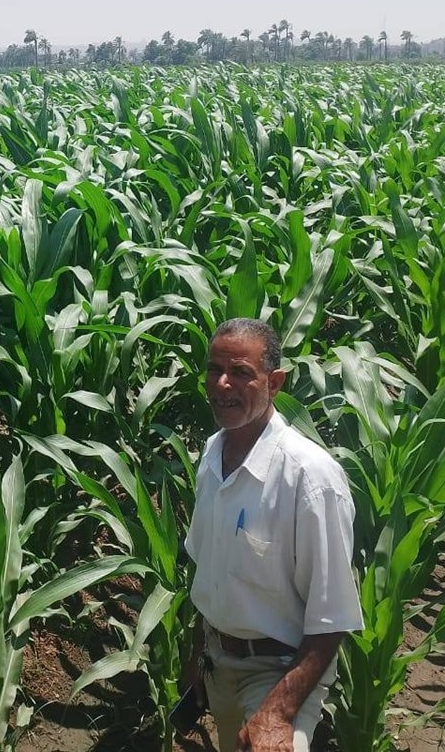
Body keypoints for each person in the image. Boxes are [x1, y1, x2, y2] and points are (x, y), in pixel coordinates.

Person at [182, 318, 362, 752]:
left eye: (241, 372)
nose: (222, 384)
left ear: (275, 382)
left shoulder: (310, 479)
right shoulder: (212, 453)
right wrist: (196, 656)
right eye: (214, 369)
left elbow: (333, 617)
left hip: (280, 668)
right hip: (218, 661)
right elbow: (207, 569)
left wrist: (278, 712)